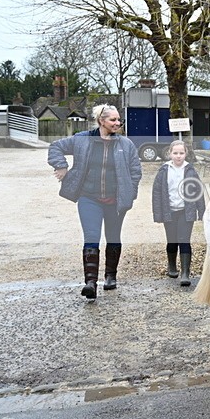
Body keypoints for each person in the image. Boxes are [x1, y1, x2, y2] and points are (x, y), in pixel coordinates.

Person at [47, 103, 142, 300]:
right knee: (91, 237)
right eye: (113, 120)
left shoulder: (126, 144)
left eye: (118, 120)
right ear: (101, 121)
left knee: (113, 236)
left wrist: (130, 193)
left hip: (116, 200)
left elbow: (135, 171)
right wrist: (61, 166)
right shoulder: (82, 140)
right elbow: (56, 146)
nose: (118, 123)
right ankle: (90, 283)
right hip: (89, 198)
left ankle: (110, 276)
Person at [152, 140, 206, 286]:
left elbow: (198, 191)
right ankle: (172, 266)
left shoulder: (190, 170)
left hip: (185, 211)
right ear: (170, 154)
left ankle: (185, 273)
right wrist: (158, 213)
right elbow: (157, 192)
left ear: (186, 154)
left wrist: (202, 212)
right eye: (175, 153)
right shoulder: (163, 170)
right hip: (169, 211)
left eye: (181, 153)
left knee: (184, 240)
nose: (178, 156)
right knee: (172, 240)